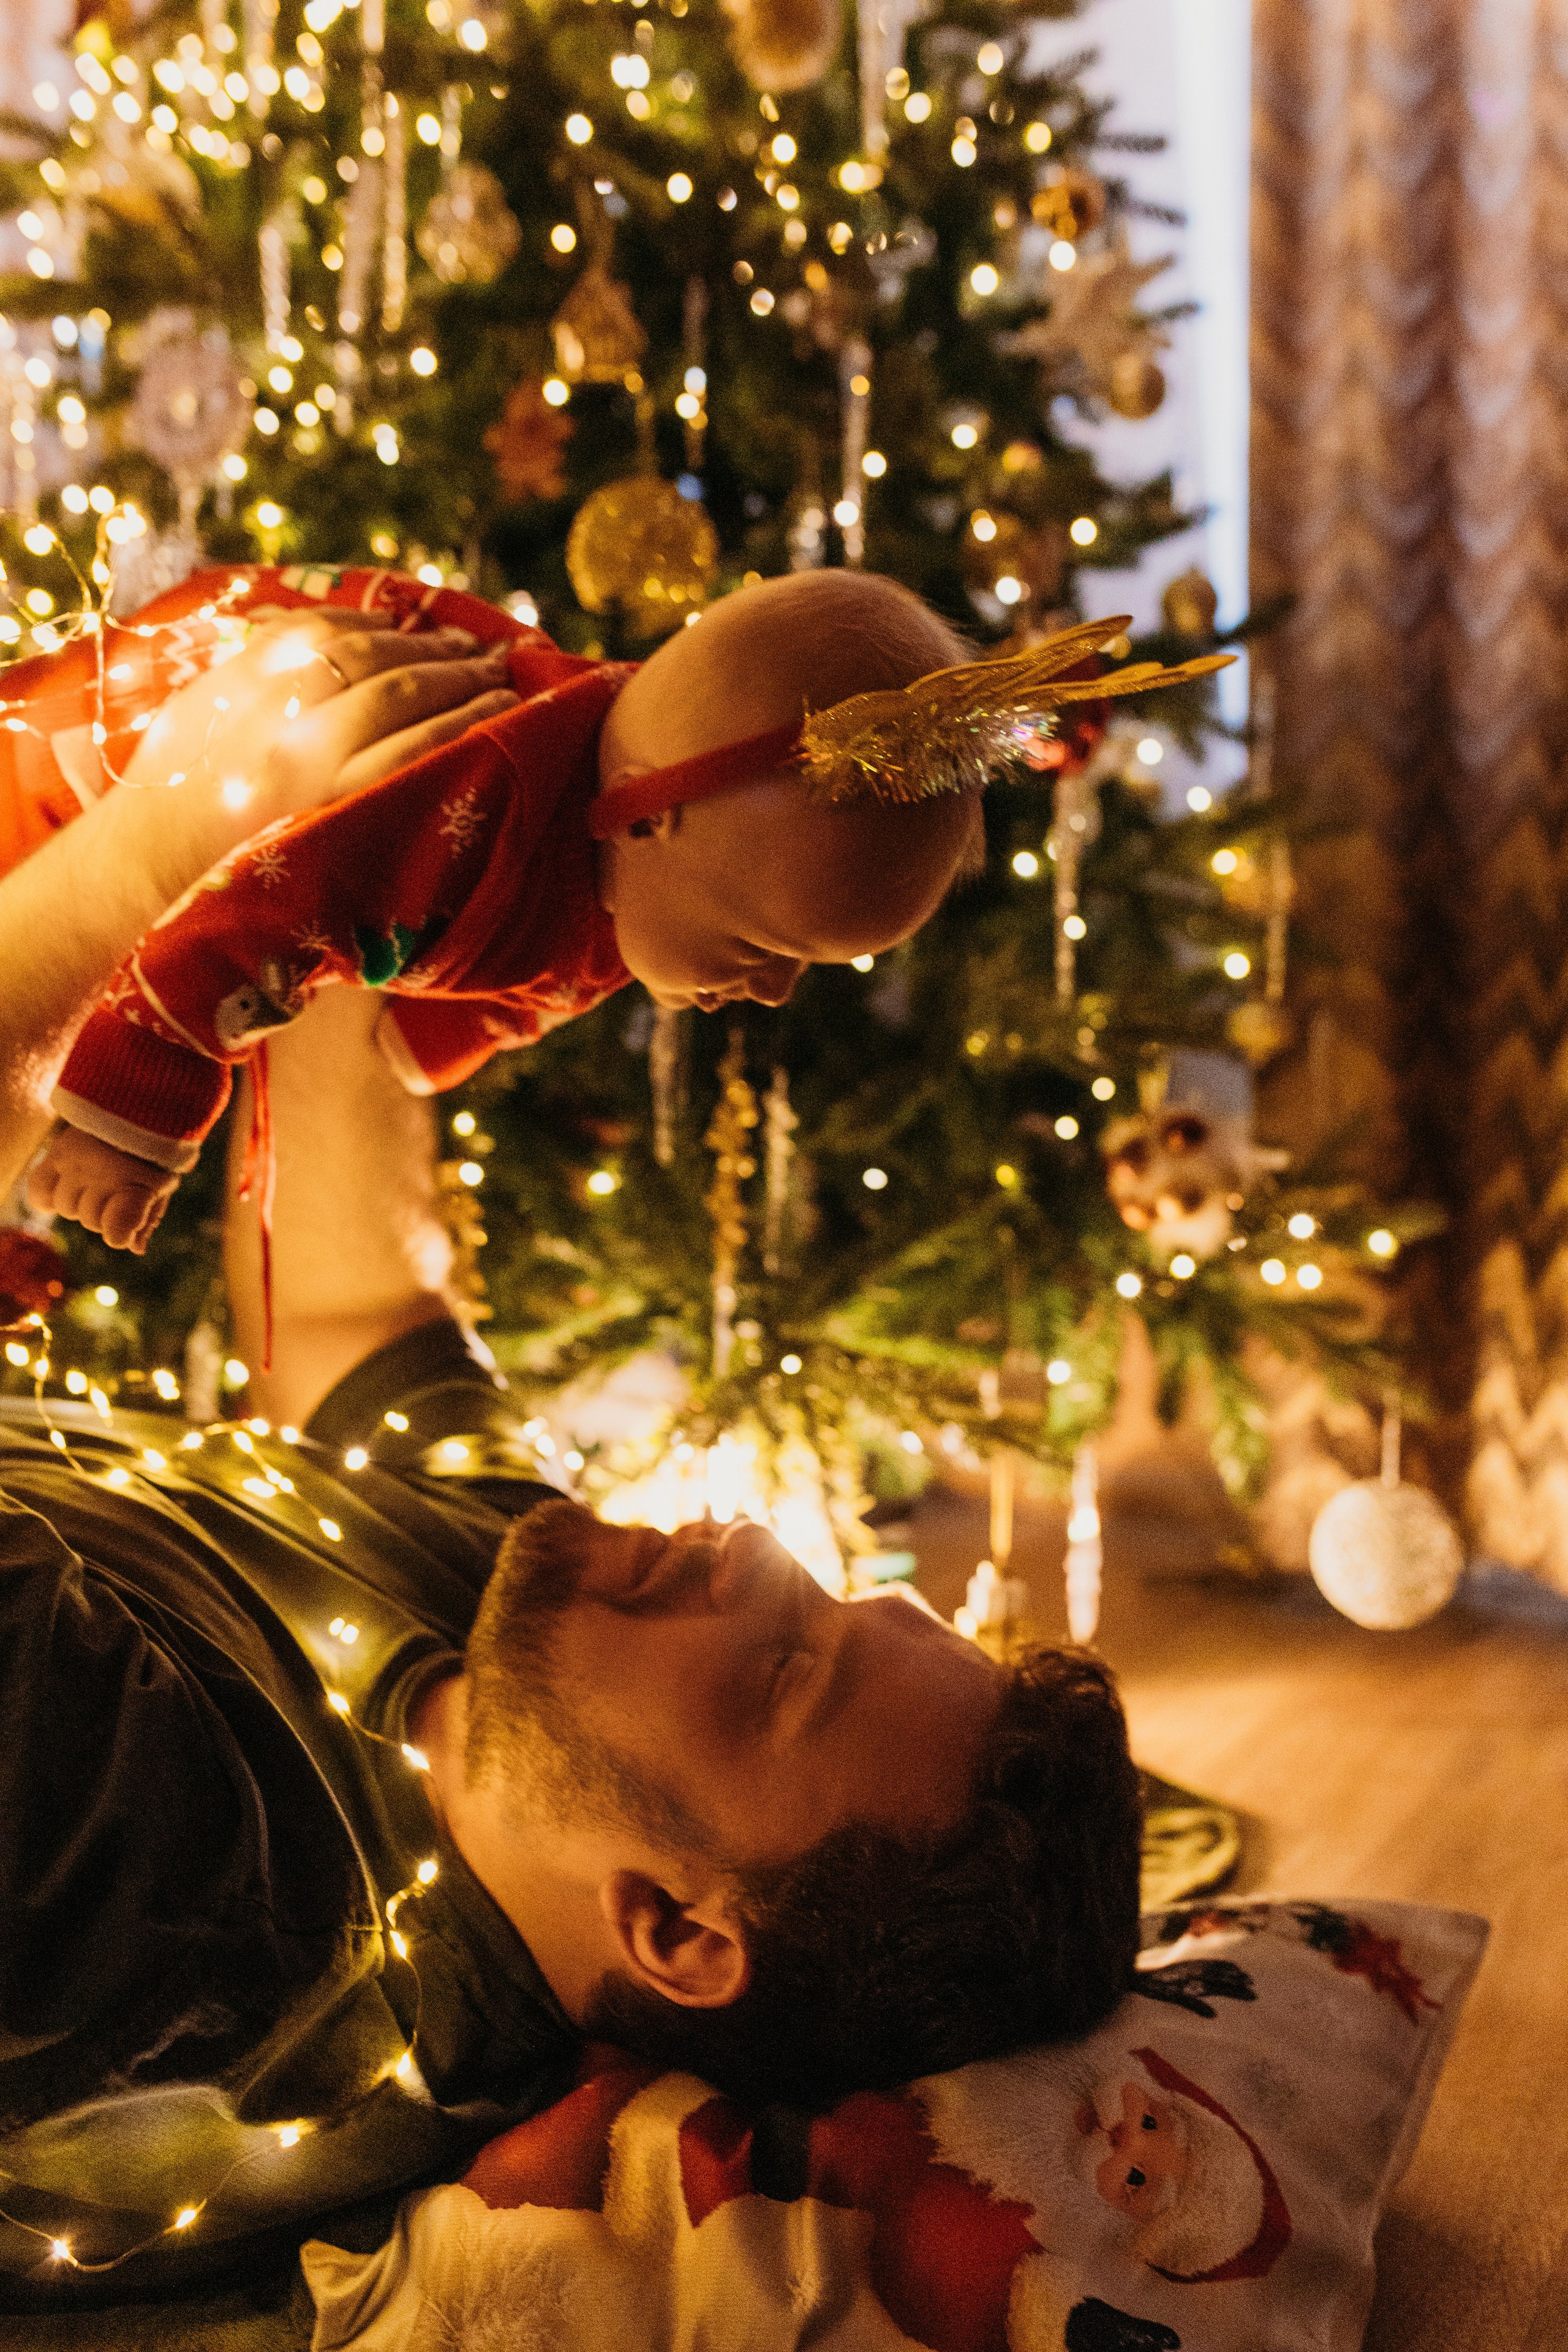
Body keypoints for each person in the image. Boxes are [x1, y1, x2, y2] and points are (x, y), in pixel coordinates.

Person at [0, 616, 1145, 2297]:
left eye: (786, 1669)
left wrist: (152, 858)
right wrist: (348, 864)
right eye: (830, 1596)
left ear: (672, 1931)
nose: (759, 1556)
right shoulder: (528, 1667)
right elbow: (361, 1318)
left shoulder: (154, 1886)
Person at [21, 562, 981, 1255]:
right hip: (170, 723)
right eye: (761, 945)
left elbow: (543, 985)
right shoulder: (472, 813)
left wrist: (429, 1044)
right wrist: (129, 1123)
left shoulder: (642, 892)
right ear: (644, 815)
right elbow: (251, 927)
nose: (774, 991)